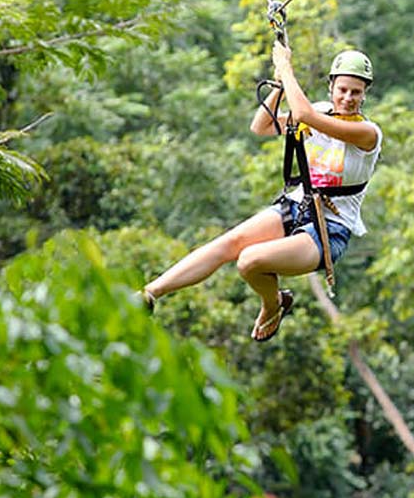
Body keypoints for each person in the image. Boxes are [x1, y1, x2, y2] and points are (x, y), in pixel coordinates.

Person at [140, 45, 382, 341]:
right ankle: (150, 293)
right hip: (298, 206)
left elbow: (305, 112)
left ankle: (273, 304)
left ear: (364, 94)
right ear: (331, 86)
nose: (347, 98)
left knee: (249, 260)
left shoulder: (367, 133)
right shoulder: (319, 111)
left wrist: (285, 65)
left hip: (330, 229)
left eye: (355, 92)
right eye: (342, 89)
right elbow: (262, 126)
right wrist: (280, 83)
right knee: (229, 243)